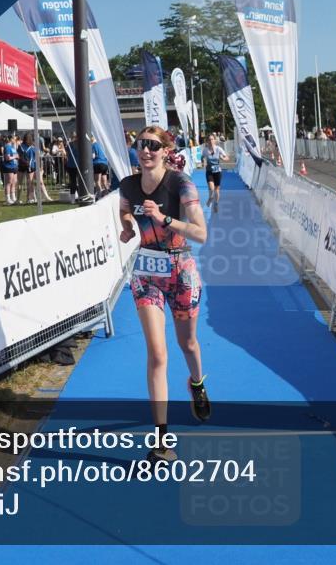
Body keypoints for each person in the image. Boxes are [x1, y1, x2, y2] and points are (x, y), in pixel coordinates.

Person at [118, 126, 210, 463]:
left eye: (153, 146)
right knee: (157, 354)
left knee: (188, 344)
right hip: (146, 276)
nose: (145, 151)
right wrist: (128, 226)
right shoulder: (128, 183)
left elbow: (201, 232)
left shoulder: (180, 183)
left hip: (181, 272)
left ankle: (197, 384)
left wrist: (165, 218)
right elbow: (125, 209)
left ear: (166, 150)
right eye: (141, 144)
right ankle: (161, 441)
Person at [202, 133, 229, 212]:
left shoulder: (218, 149)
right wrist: (203, 161)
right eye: (209, 140)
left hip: (217, 171)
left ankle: (216, 204)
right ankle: (210, 199)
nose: (211, 141)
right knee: (211, 188)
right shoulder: (205, 150)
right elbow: (202, 157)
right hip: (209, 171)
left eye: (212, 139)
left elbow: (227, 157)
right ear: (207, 141)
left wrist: (224, 159)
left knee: (217, 190)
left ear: (215, 140)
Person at [18, 133, 38, 203]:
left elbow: (19, 156)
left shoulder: (20, 146)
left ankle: (18, 199)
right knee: (29, 183)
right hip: (30, 166)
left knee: (20, 183)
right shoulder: (33, 148)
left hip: (21, 165)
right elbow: (35, 158)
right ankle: (28, 199)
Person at [1, 133, 19, 204]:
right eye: (14, 138)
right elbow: (7, 157)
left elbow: (16, 155)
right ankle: (8, 198)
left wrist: (16, 156)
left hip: (14, 166)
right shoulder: (7, 147)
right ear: (11, 139)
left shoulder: (12, 147)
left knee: (14, 182)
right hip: (8, 167)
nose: (15, 139)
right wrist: (15, 156)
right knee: (9, 182)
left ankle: (13, 197)